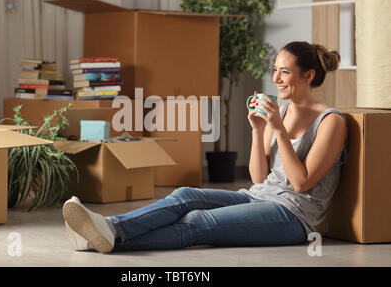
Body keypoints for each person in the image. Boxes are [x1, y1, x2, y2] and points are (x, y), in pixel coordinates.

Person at [62, 41, 348, 254]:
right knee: (186, 195)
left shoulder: (330, 122)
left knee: (198, 222)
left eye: (284, 72)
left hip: (293, 216)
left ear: (308, 75)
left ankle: (98, 238)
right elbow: (259, 179)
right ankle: (108, 228)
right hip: (258, 196)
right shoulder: (283, 112)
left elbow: (300, 183)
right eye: (275, 70)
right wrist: (258, 130)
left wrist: (278, 130)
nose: (275, 79)